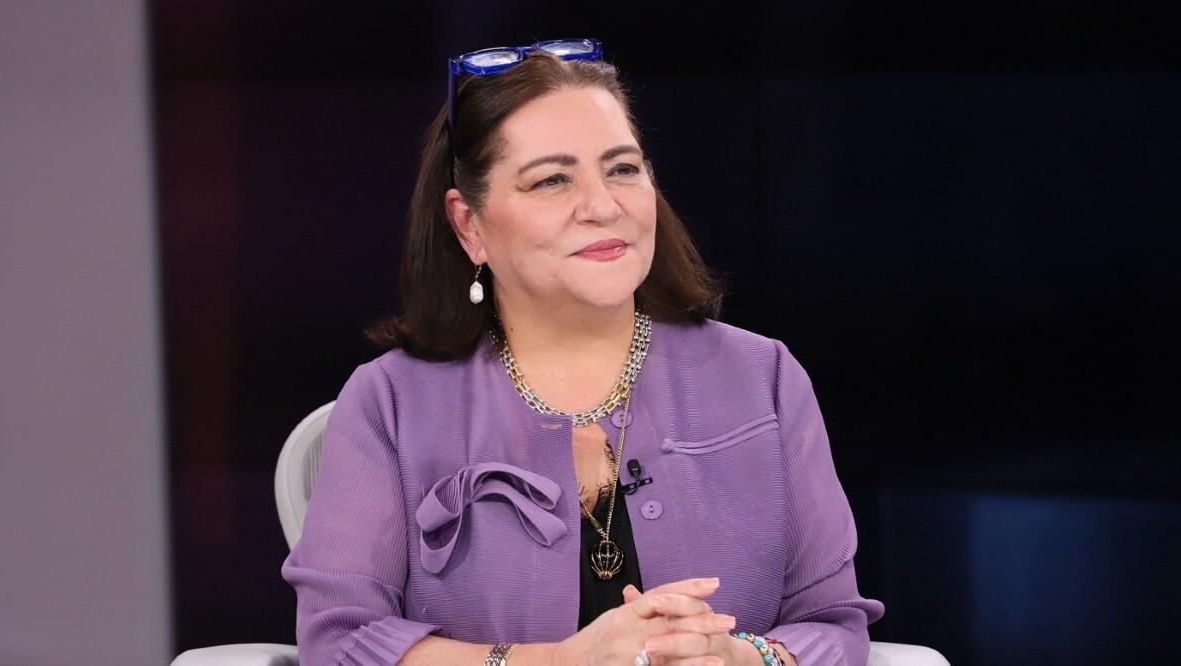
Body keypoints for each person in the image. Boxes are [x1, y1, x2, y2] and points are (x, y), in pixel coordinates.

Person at [282, 38, 883, 666]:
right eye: (552, 180)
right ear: (469, 225)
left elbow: (832, 623)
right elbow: (340, 643)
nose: (603, 206)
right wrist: (555, 662)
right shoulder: (390, 403)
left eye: (623, 169)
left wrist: (743, 658)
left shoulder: (764, 378)